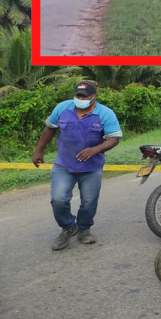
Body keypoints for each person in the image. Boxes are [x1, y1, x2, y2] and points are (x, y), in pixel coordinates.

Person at [32, 81, 123, 250]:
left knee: (89, 202)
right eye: (78, 95)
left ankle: (84, 229)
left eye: (84, 96)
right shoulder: (62, 108)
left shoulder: (105, 114)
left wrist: (95, 149)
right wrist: (39, 150)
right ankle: (68, 227)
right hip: (64, 165)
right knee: (58, 199)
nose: (80, 99)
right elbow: (49, 129)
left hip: (91, 167)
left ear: (94, 97)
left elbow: (114, 138)